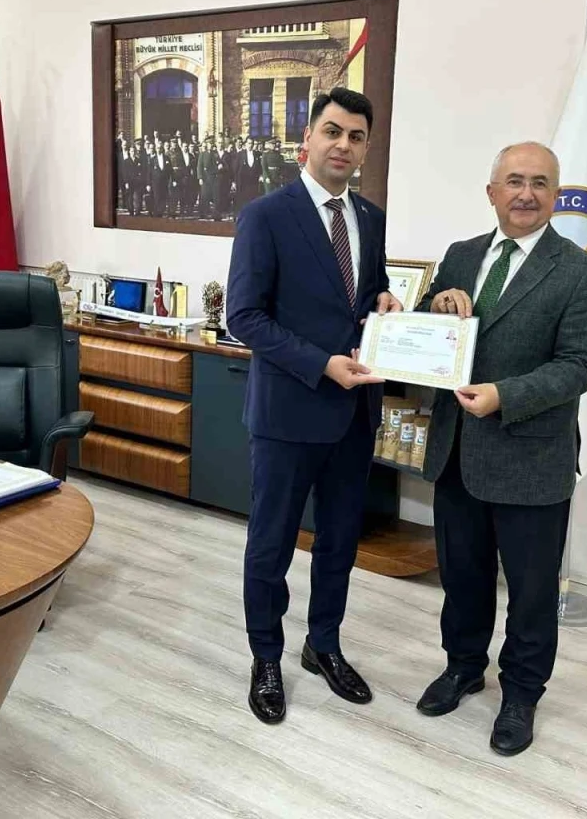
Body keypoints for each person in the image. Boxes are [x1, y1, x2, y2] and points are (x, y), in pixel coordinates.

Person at [413, 141, 587, 756]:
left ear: (556, 195)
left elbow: (581, 364)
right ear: (492, 192)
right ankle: (462, 667)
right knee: (462, 576)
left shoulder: (580, 270)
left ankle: (521, 694)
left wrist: (506, 395)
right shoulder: (460, 255)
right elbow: (426, 329)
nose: (527, 194)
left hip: (532, 458)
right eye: (515, 181)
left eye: (541, 183)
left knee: (531, 592)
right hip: (457, 452)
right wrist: (434, 305)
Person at [227, 87, 404, 725]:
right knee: (271, 544)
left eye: (356, 137)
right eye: (333, 131)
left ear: (365, 148)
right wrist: (320, 363)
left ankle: (323, 644)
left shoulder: (371, 218)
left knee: (339, 543)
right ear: (308, 138)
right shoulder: (265, 216)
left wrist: (384, 300)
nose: (343, 145)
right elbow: (244, 316)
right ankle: (266, 657)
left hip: (354, 415)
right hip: (288, 412)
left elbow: (364, 293)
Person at [233, 137, 264, 211]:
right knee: (242, 200)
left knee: (252, 199)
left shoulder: (257, 154)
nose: (250, 145)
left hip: (253, 182)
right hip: (242, 182)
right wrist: (234, 181)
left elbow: (259, 167)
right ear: (246, 144)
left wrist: (260, 175)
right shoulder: (240, 154)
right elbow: (235, 169)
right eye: (249, 143)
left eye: (252, 143)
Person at [197, 138, 221, 219]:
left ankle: (216, 214)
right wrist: (200, 177)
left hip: (214, 178)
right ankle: (203, 213)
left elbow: (219, 163)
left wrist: (220, 166)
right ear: (206, 145)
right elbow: (199, 166)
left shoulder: (215, 154)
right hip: (205, 178)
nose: (210, 145)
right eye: (209, 144)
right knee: (204, 197)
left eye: (211, 144)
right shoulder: (202, 154)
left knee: (216, 197)